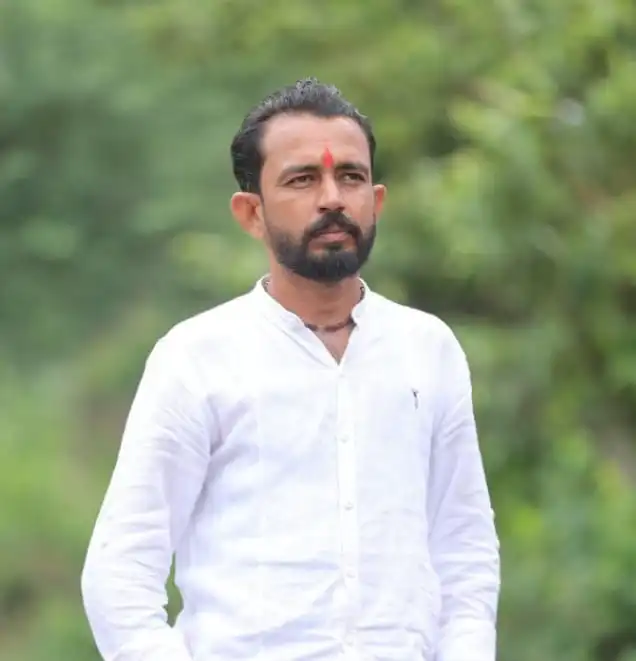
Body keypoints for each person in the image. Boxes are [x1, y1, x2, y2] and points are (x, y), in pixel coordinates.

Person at [81, 78, 500, 661]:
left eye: (350, 177)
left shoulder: (427, 350)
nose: (332, 199)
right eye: (303, 180)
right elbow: (120, 571)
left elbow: (464, 551)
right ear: (251, 213)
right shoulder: (197, 357)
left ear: (376, 201)